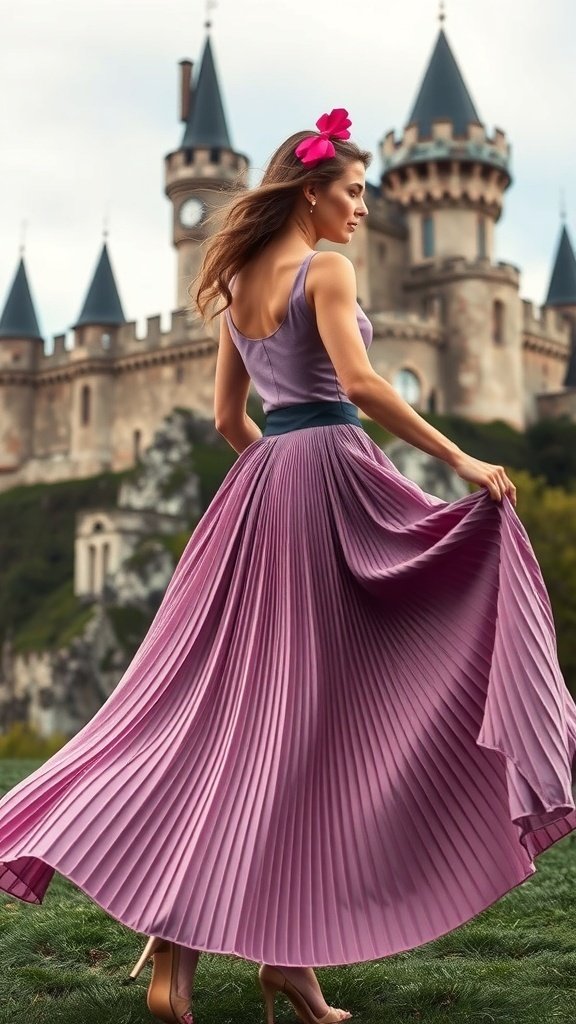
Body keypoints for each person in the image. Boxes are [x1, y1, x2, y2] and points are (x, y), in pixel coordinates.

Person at [0, 109, 575, 1024]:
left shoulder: (232, 283)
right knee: (327, 715)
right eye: (350, 192)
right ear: (311, 193)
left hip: (263, 490)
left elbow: (234, 423)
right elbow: (356, 382)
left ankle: (224, 964)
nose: (359, 209)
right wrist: (459, 459)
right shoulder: (329, 269)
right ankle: (273, 958)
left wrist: (277, 476)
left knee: (252, 717)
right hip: (331, 480)